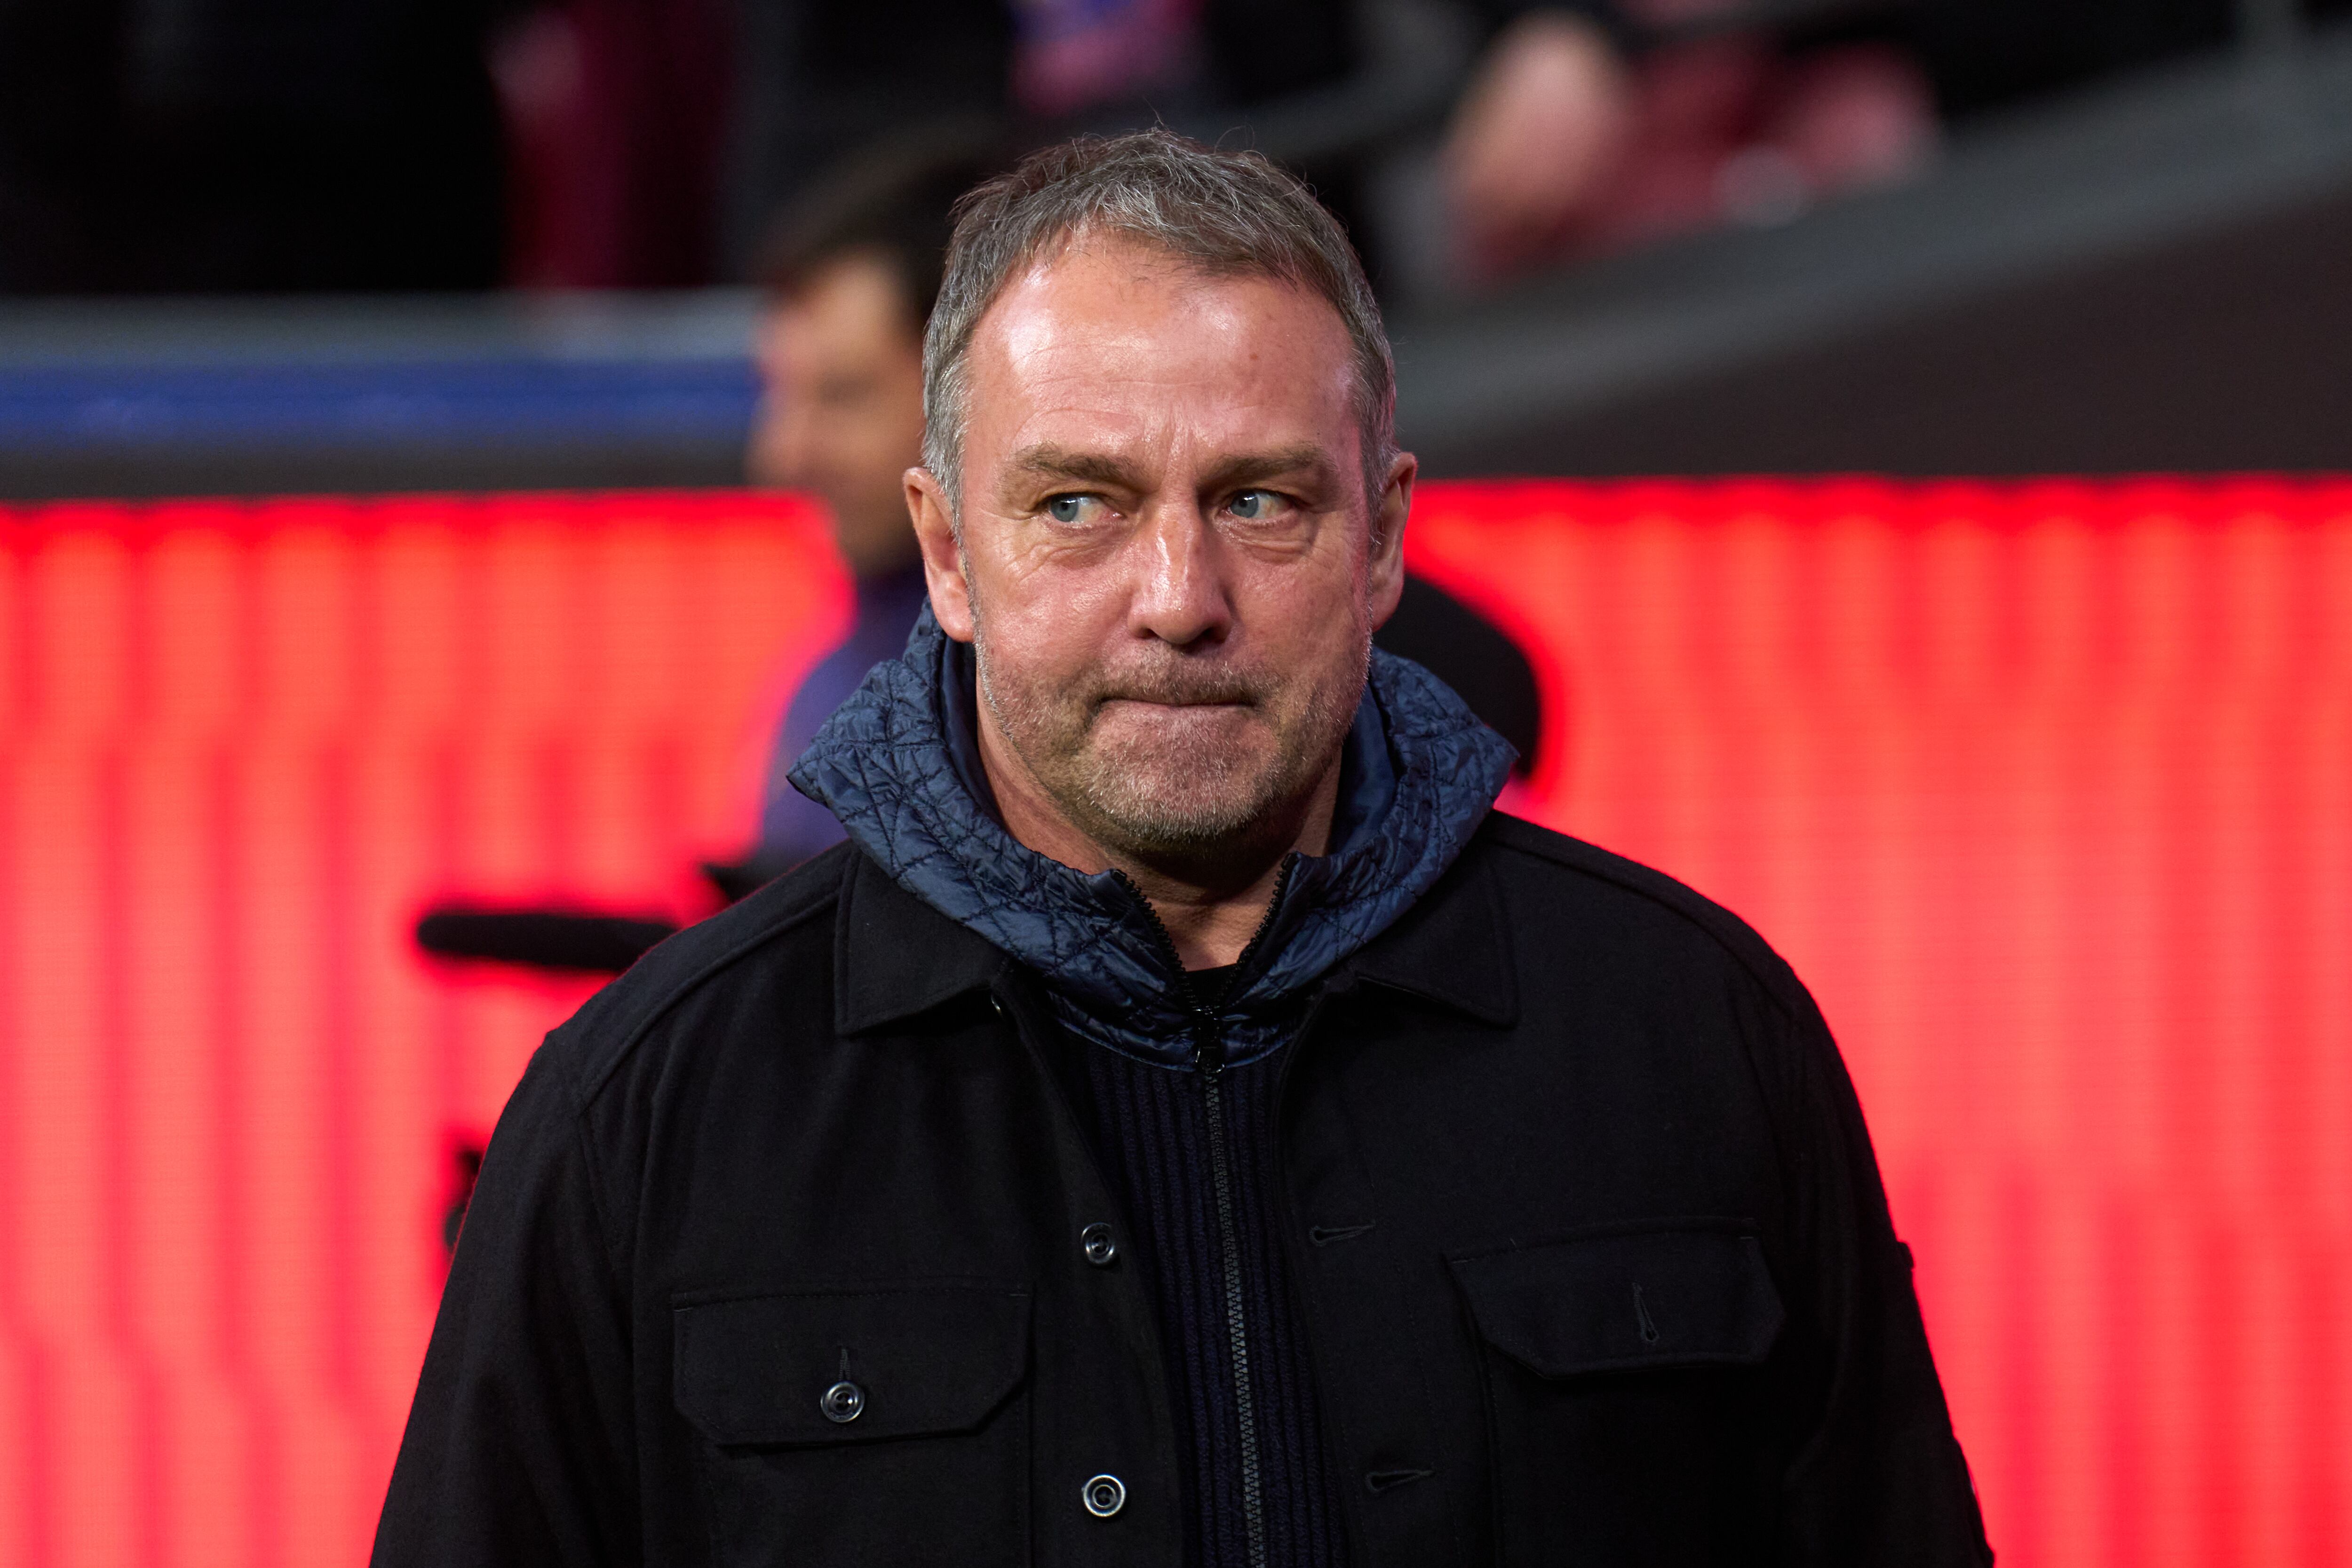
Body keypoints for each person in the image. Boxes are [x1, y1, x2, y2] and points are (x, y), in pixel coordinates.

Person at [373, 131, 1989, 1567]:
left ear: (1386, 540)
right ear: (948, 552)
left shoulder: (1694, 1038)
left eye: (1263, 501)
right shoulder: (646, 1113)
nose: (1177, 596)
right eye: (1077, 504)